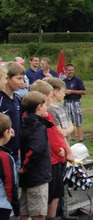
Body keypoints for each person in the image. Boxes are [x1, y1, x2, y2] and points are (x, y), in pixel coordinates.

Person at [30, 80, 72, 219]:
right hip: (52, 159)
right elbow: (53, 135)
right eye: (47, 95)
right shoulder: (46, 115)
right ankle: (52, 216)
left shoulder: (48, 113)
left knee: (57, 190)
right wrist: (61, 150)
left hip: (56, 156)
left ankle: (58, 213)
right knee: (52, 192)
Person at [19, 91, 52, 220]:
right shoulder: (38, 127)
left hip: (27, 177)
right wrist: (26, 166)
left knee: (25, 210)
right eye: (45, 105)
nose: (46, 108)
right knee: (38, 212)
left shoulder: (23, 122)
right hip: (37, 176)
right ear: (39, 107)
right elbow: (36, 150)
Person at [0, 63, 25, 166]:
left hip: (16, 152)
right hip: (4, 152)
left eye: (23, 79)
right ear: (7, 78)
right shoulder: (1, 100)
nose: (22, 82)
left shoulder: (18, 99)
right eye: (19, 79)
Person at [0, 113, 18, 219]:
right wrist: (15, 206)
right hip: (2, 205)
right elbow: (10, 184)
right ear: (6, 132)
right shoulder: (4, 157)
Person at [62, 64, 86, 142]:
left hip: (75, 102)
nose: (71, 71)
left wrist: (72, 91)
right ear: (65, 71)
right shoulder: (63, 81)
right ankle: (72, 138)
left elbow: (83, 92)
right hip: (66, 102)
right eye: (69, 70)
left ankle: (80, 139)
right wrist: (64, 92)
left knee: (78, 121)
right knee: (69, 121)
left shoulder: (78, 80)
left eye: (72, 70)